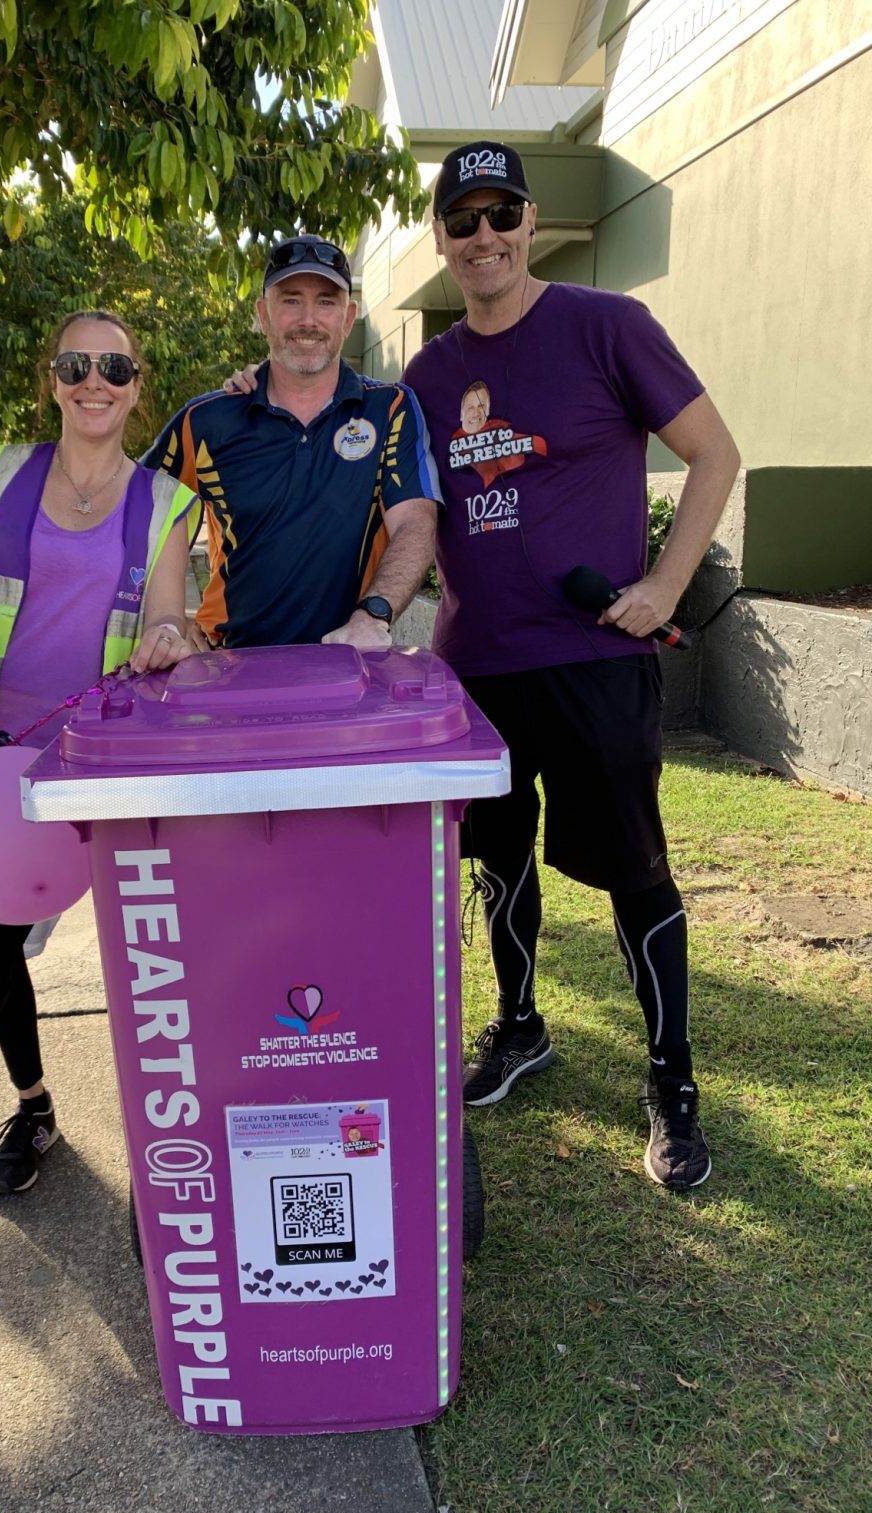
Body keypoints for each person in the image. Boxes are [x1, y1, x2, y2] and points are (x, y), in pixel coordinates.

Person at [403, 141, 741, 1190]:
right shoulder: (427, 377)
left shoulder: (608, 326)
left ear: (532, 220)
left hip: (595, 660)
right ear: (443, 239)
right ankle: (520, 1025)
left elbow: (715, 454)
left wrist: (666, 588)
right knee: (498, 862)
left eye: (502, 214)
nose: (486, 236)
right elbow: (396, 502)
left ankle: (671, 1079)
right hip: (477, 672)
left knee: (635, 872)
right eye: (464, 220)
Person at [0, 309, 201, 1195]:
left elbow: (169, 614)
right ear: (52, 379)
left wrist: (170, 637)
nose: (95, 382)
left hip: (87, 762)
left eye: (114, 369)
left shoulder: (166, 502)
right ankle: (27, 1100)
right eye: (77, 365)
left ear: (136, 387)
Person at [145, 236, 441, 650]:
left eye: (326, 302)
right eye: (290, 301)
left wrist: (372, 616)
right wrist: (170, 619)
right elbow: (136, 517)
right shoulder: (207, 420)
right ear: (263, 315)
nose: (308, 320)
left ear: (348, 318)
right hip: (230, 666)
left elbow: (415, 522)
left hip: (348, 661)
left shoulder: (389, 409)